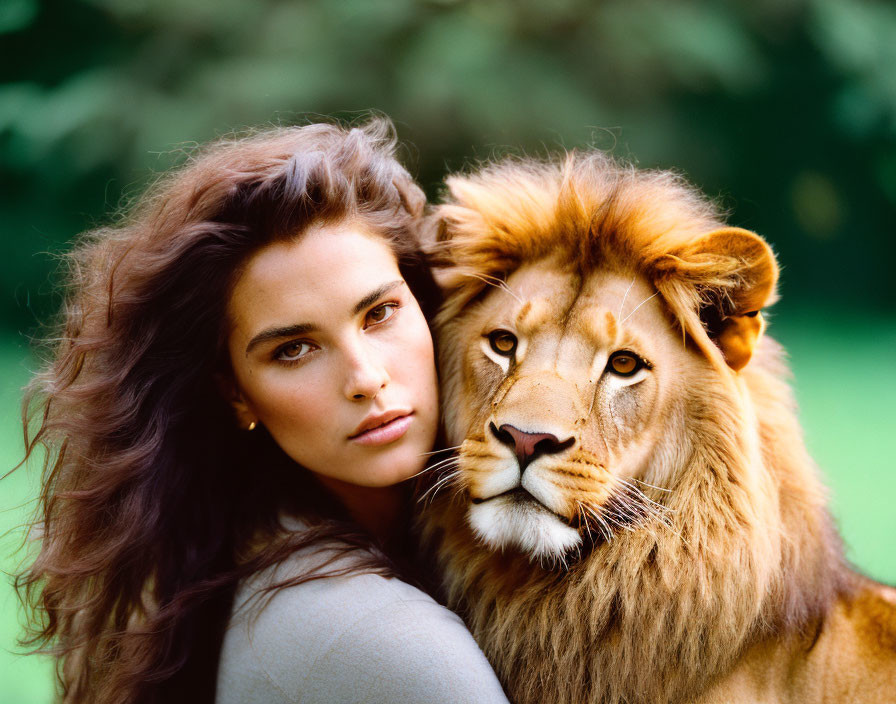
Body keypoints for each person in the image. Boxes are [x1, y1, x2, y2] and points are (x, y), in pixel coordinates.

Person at [16, 119, 509, 704]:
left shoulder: (253, 546)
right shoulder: (385, 645)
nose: (366, 378)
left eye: (378, 314)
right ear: (237, 394)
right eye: (294, 350)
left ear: (424, 304)